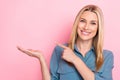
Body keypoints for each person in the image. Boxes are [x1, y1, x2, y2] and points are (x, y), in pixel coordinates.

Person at [17, 4, 114, 80]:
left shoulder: (106, 56)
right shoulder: (59, 50)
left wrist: (75, 60)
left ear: (98, 28)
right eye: (83, 21)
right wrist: (41, 58)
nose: (86, 27)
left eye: (93, 23)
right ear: (77, 24)